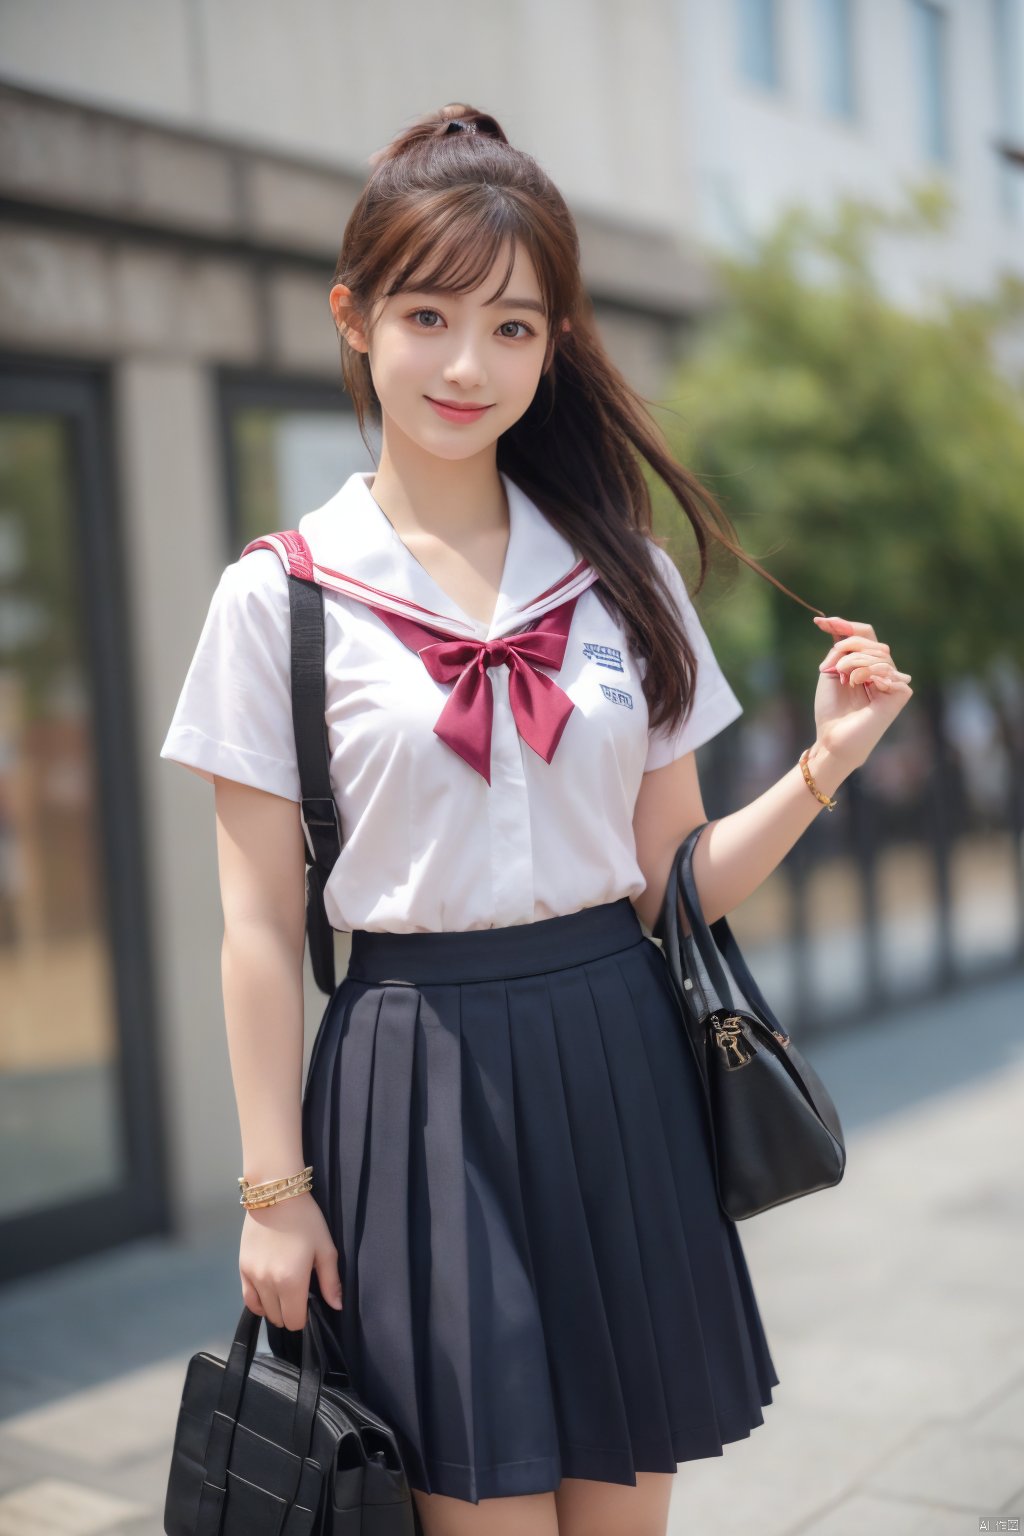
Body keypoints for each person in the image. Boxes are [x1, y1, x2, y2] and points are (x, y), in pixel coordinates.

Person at [159, 103, 912, 1536]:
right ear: (354, 316)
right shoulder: (283, 597)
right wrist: (272, 1192)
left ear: (555, 343)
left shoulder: (619, 574)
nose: (465, 364)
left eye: (513, 327)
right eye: (429, 314)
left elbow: (671, 886)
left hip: (619, 1065)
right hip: (411, 1089)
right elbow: (255, 925)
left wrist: (823, 765)